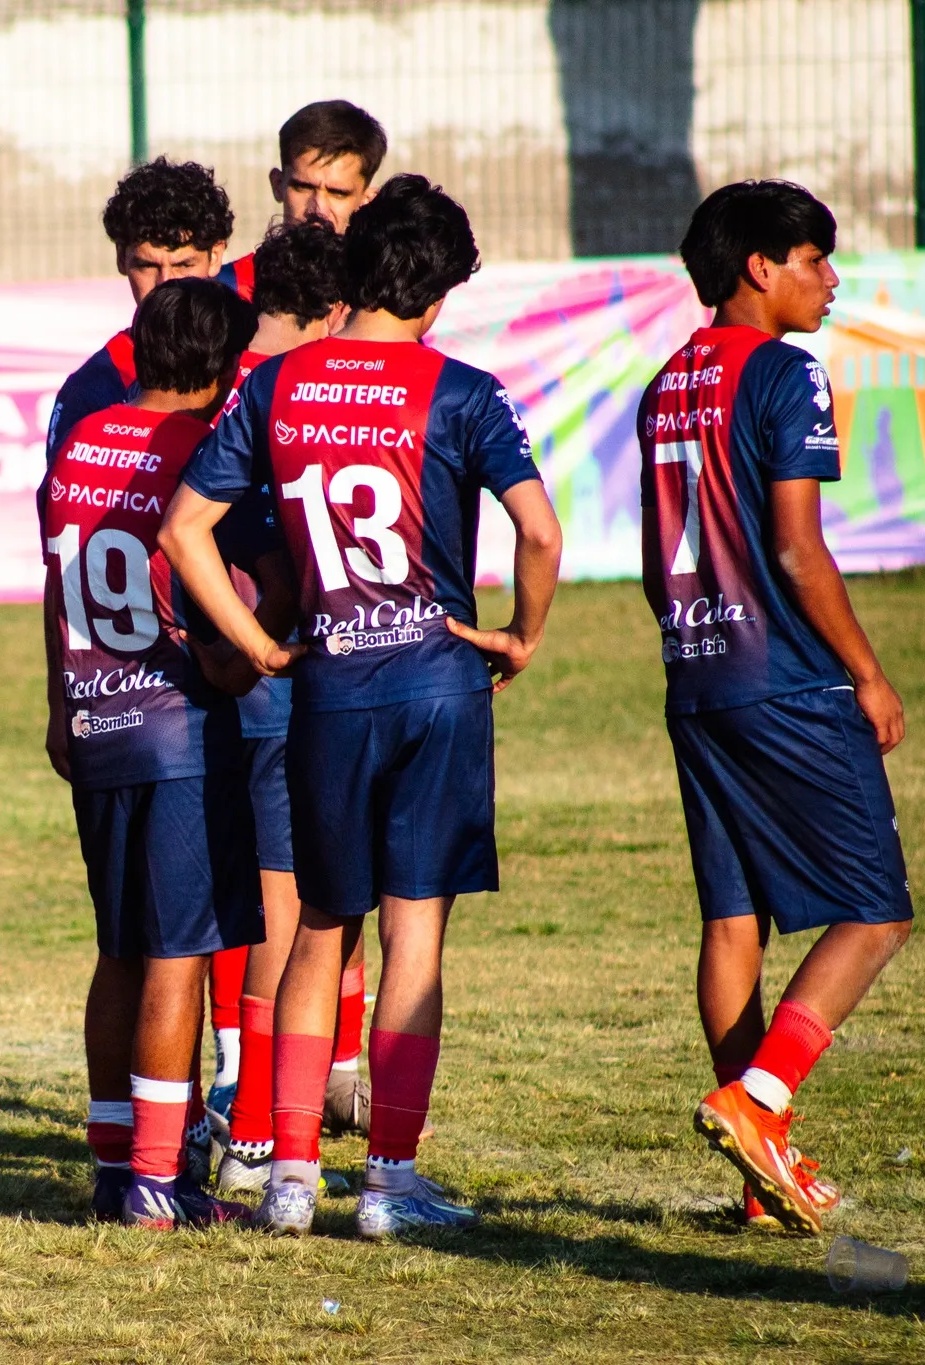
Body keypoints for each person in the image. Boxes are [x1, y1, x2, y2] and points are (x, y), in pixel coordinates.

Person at [162, 175, 563, 1238]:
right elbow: (539, 532)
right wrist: (520, 633)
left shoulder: (276, 384)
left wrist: (257, 645)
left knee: (318, 931)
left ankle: (291, 1177)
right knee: (412, 933)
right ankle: (388, 1181)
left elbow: (183, 530)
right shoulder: (464, 392)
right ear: (442, 288)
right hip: (435, 685)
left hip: (328, 687)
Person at [642, 180, 912, 1235]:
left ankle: (760, 1171)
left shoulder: (665, 382)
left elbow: (668, 548)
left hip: (696, 676)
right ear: (759, 266)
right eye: (812, 258)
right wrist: (866, 672)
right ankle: (758, 1101)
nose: (829, 278)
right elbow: (797, 549)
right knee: (876, 912)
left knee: (730, 920)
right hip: (784, 680)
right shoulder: (784, 371)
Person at [45, 277, 264, 1228]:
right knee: (180, 954)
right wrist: (246, 655)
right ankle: (155, 1181)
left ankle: (111, 1168)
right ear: (221, 369)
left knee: (120, 950)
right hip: (176, 726)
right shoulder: (200, 452)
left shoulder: (80, 440)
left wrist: (60, 701)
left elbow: (54, 581)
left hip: (94, 718)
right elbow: (208, 593)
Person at [197, 221, 366, 1198]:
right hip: (311, 689)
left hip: (264, 692)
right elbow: (262, 557)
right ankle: (257, 1132)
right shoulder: (292, 393)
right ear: (336, 308)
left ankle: (265, 1119)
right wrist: (258, 644)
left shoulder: (229, 381)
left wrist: (228, 650)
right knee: (298, 916)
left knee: (291, 912)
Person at [45, 157, 235, 466]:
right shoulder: (93, 388)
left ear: (216, 255)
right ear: (121, 258)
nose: (166, 284)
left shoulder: (261, 360)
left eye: (183, 265)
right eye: (147, 266)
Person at [216, 100, 387, 299]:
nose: (318, 209)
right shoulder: (227, 293)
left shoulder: (381, 297)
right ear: (277, 185)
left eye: (338, 193)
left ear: (367, 201)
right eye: (303, 187)